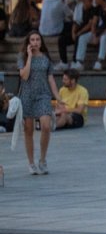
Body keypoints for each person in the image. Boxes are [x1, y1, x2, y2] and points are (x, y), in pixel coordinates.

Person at [17, 31, 58, 175]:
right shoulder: (22, 57)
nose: (35, 42)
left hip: (43, 95)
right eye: (32, 40)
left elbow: (51, 78)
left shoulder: (46, 58)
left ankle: (42, 159)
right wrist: (29, 57)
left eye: (37, 40)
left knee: (46, 126)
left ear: (41, 42)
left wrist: (57, 96)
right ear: (28, 42)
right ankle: (31, 162)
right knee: (28, 130)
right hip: (27, 96)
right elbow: (25, 75)